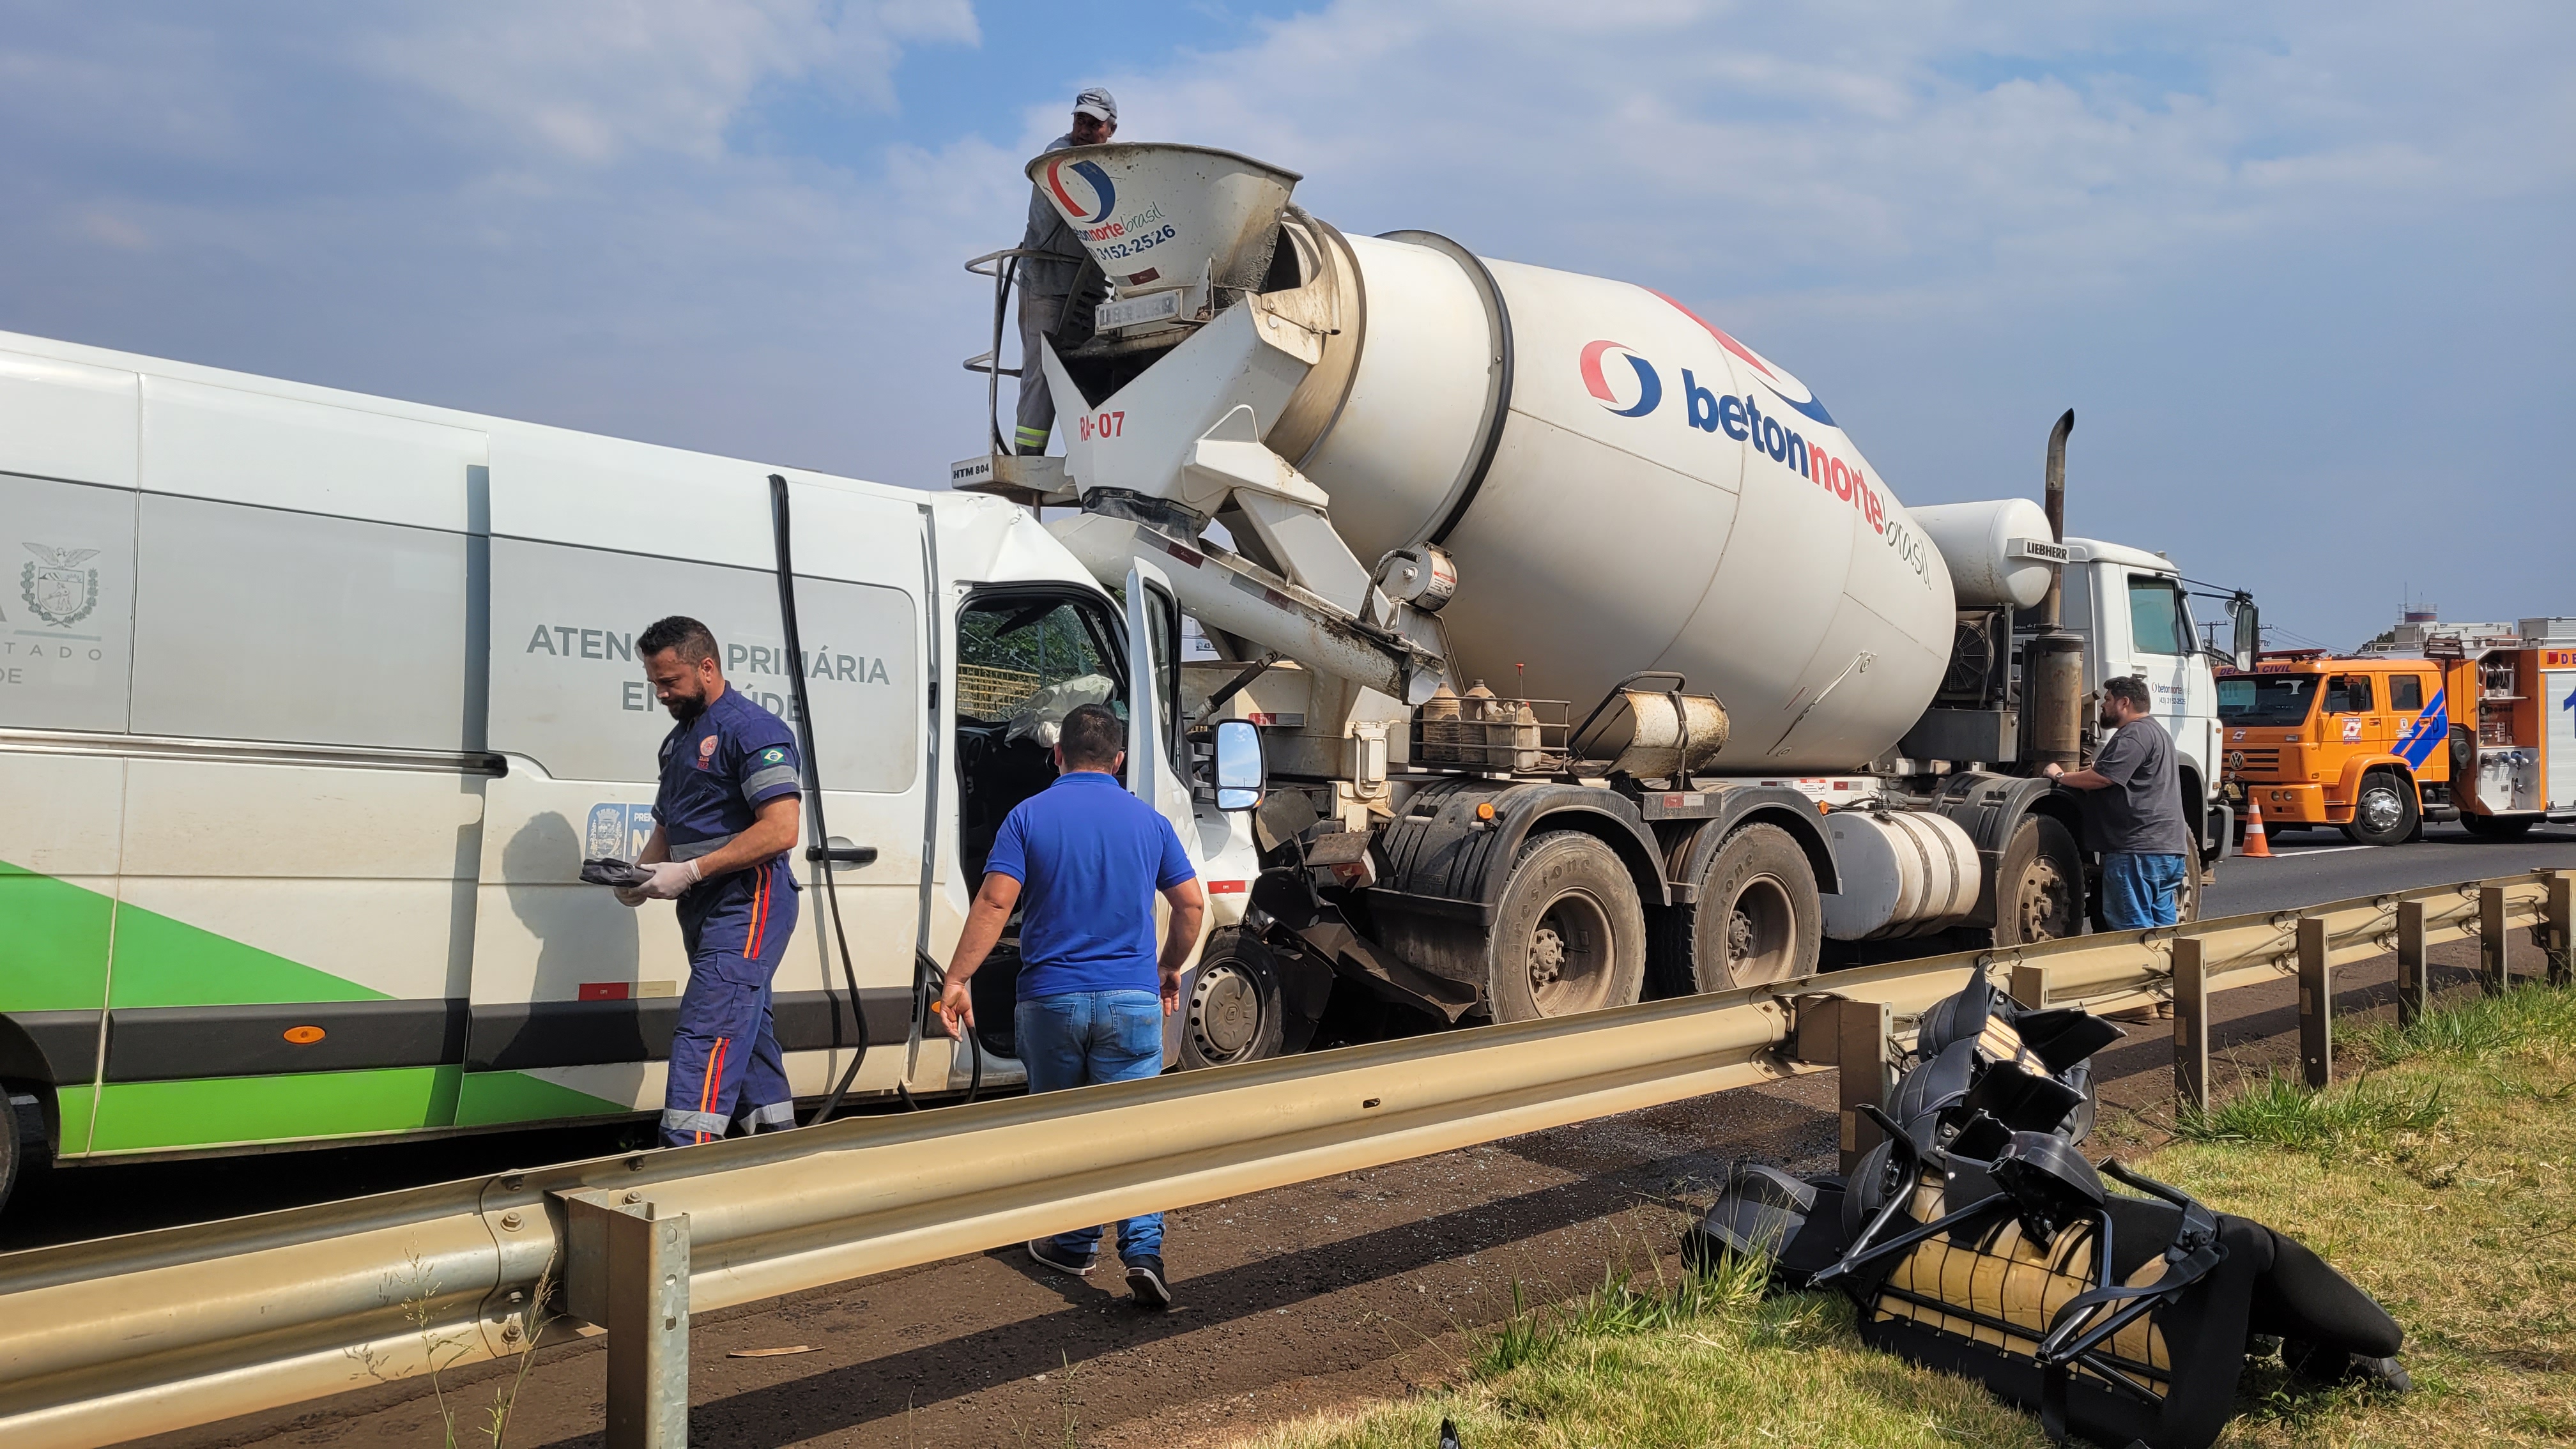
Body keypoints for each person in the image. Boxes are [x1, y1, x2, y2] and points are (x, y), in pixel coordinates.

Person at [939, 702, 1203, 1308]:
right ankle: (1143, 1251)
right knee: (1133, 1131)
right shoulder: (1150, 822)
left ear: (1056, 755)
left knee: (1065, 1129)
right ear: (1118, 760)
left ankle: (1075, 1243)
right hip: (1131, 999)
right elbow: (1191, 905)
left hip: (1051, 1000)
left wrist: (957, 978)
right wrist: (1168, 967)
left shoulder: (1028, 816)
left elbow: (995, 903)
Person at [617, 616, 804, 1147]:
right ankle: (778, 1153)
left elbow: (781, 829)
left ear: (706, 667)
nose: (661, 693)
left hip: (749, 901)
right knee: (748, 1029)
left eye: (669, 681)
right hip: (704, 907)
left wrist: (693, 870)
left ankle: (684, 1162)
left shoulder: (754, 731)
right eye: (654, 682)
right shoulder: (679, 741)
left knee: (711, 1029)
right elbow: (667, 828)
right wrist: (638, 877)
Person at [1012, 86, 1117, 456]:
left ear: (1111, 129)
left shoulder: (1115, 164)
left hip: (1088, 289)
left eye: (1094, 124)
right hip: (1046, 284)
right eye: (1080, 121)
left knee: (1092, 370)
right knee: (1044, 371)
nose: (1084, 130)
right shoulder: (1058, 159)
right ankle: (1028, 457)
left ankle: (1092, 457)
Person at [2045, 674, 2193, 928]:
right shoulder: (2158, 733)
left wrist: (2061, 776)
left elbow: (2104, 778)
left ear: (2124, 702)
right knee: (2163, 930)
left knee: (2132, 930)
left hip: (2138, 852)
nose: (2103, 705)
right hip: (2167, 851)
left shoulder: (2134, 735)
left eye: (2108, 699)